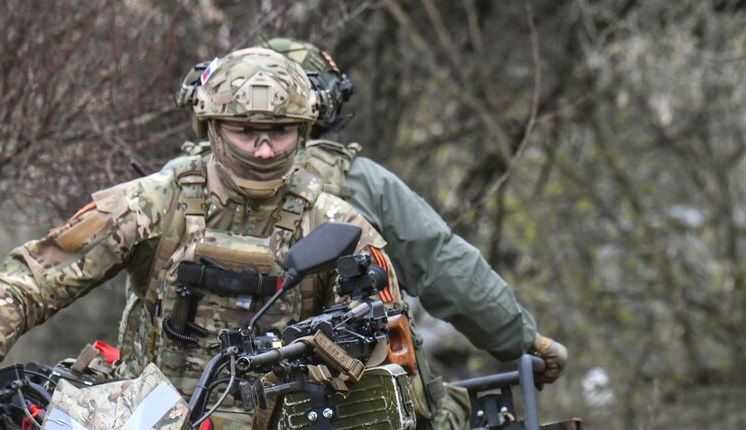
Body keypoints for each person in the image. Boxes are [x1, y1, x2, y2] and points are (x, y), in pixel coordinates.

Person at [0, 47, 404, 430]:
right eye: (246, 131)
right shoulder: (153, 204)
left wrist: (343, 349)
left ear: (304, 132)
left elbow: (389, 336)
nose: (263, 148)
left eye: (279, 131)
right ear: (211, 127)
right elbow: (32, 279)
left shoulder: (338, 225)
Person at [117, 37, 566, 399]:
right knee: (448, 417)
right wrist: (523, 341)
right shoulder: (358, 181)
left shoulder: (178, 180)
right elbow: (443, 266)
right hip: (319, 409)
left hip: (170, 405)